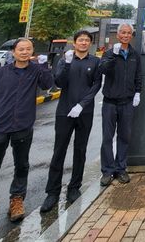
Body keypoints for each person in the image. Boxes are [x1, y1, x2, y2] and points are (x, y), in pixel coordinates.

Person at [0, 37, 54, 233]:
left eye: (28, 49)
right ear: (14, 52)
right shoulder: (1, 73)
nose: (24, 52)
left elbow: (48, 84)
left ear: (32, 52)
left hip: (23, 127)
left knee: (21, 165)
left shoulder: (35, 71)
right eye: (21, 49)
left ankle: (17, 200)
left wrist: (44, 66)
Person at [41, 30, 102, 213]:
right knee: (59, 150)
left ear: (89, 44)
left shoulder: (95, 62)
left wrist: (82, 105)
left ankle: (74, 187)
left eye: (86, 40)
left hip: (85, 112)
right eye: (80, 40)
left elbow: (96, 85)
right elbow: (59, 82)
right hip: (64, 112)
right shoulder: (64, 60)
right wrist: (67, 64)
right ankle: (52, 192)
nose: (83, 43)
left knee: (80, 149)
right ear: (74, 43)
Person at [100, 23, 142, 186]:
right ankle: (107, 171)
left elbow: (138, 75)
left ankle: (121, 168)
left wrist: (138, 92)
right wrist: (113, 56)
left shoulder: (134, 55)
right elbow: (103, 69)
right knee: (107, 138)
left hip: (127, 102)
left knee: (124, 136)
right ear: (118, 35)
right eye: (123, 33)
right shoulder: (109, 53)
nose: (125, 35)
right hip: (110, 102)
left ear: (131, 36)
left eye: (128, 33)